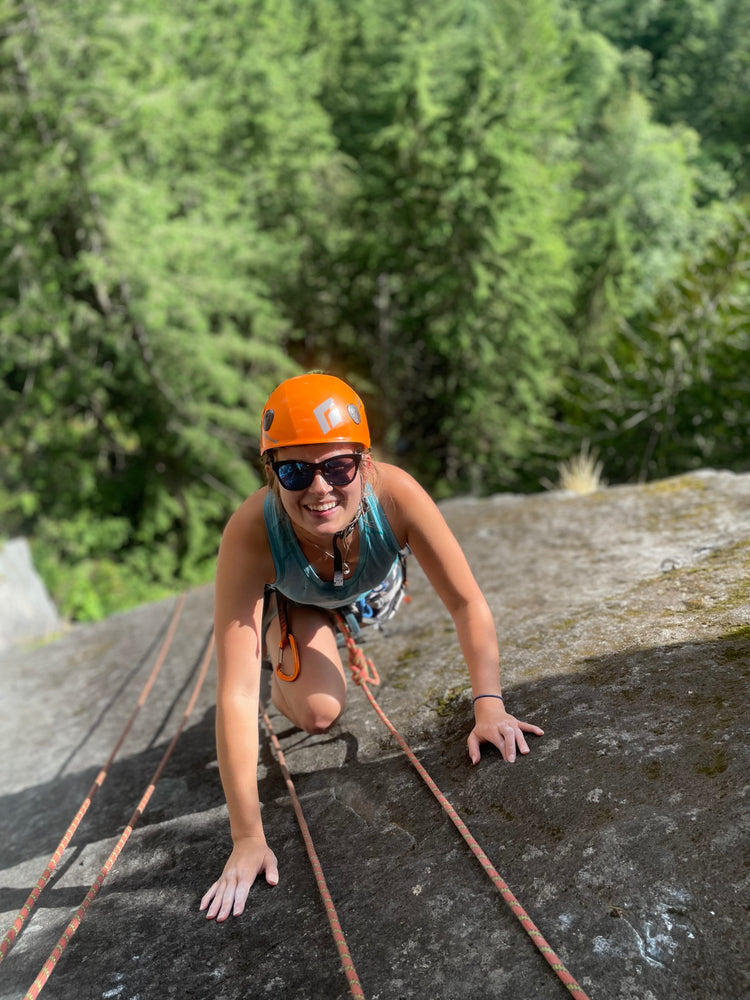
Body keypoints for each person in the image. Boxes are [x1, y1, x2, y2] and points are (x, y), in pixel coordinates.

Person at [200, 373, 544, 922]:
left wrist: (489, 704)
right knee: (319, 712)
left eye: (338, 467)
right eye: (295, 470)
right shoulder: (251, 532)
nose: (319, 488)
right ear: (272, 472)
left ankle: (335, 626)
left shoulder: (396, 495)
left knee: (341, 643)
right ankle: (280, 642)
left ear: (363, 460)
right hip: (300, 603)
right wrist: (247, 838)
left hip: (369, 592)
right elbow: (237, 694)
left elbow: (466, 604)